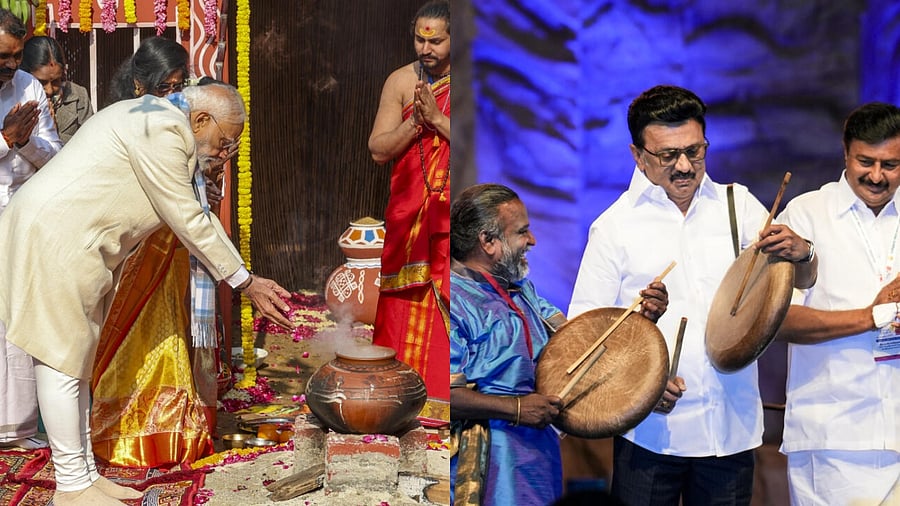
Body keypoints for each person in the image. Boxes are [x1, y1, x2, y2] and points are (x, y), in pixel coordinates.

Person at [0, 81, 294, 506]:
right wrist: (245, 282)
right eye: (225, 140)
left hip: (74, 247)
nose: (226, 150)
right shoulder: (161, 127)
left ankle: (82, 475)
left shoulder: (162, 122)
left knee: (77, 363)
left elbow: (193, 211)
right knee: (62, 363)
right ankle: (70, 486)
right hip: (53, 241)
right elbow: (188, 218)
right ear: (201, 119)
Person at [568, 85, 818, 506]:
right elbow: (586, 332)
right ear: (637, 155)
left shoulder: (737, 204)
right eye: (668, 155)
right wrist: (640, 384)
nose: (685, 166)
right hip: (649, 435)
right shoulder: (614, 227)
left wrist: (805, 253)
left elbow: (799, 282)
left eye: (695, 151)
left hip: (729, 428)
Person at [450, 183, 669, 505]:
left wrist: (643, 321)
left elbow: (581, 347)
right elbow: (443, 394)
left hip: (539, 451)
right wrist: (517, 408)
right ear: (487, 241)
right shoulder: (450, 299)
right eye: (522, 232)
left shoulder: (522, 292)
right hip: (489, 459)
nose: (532, 241)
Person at [89, 38, 238, 468]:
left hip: (175, 253)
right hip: (141, 252)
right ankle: (133, 432)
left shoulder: (179, 123)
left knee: (178, 332)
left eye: (178, 85)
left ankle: (179, 423)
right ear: (139, 86)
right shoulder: (132, 123)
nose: (171, 95)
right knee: (141, 337)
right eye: (164, 86)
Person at [775, 102, 900, 505]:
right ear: (845, 153)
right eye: (866, 161)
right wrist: (872, 316)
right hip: (833, 434)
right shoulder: (807, 215)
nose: (877, 176)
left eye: (891, 164)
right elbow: (779, 321)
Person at [368, 0, 450, 402]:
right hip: (409, 217)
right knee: (403, 300)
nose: (424, 49)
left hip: (453, 219)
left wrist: (438, 120)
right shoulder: (400, 81)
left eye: (435, 41)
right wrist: (415, 123)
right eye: (419, 38)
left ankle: (443, 397)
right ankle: (397, 397)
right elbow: (378, 149)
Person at [0, 9, 62, 451]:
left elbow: (55, 156)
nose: (10, 64)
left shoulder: (28, 87)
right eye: (3, 55)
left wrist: (25, 141)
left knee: (18, 323)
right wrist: (4, 141)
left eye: (16, 55)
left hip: (20, 220)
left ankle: (17, 429)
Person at [20, 36, 93, 144]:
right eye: (41, 82)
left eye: (55, 81)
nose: (49, 90)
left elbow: (91, 144)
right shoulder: (14, 96)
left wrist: (55, 134)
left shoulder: (78, 95)